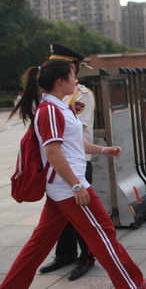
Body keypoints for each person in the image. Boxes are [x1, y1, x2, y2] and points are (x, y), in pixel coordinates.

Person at [1, 59, 146, 289]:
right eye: (72, 76)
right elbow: (52, 152)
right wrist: (76, 186)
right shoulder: (50, 110)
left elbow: (72, 143)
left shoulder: (59, 107)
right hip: (69, 187)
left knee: (38, 244)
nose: (76, 80)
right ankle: (133, 285)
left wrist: (103, 150)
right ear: (60, 81)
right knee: (104, 235)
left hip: (64, 187)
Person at [37, 44, 97, 281]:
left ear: (70, 68)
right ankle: (65, 255)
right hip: (57, 166)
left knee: (83, 215)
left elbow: (73, 134)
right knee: (61, 214)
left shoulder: (82, 94)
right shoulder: (50, 98)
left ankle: (87, 256)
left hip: (77, 162)